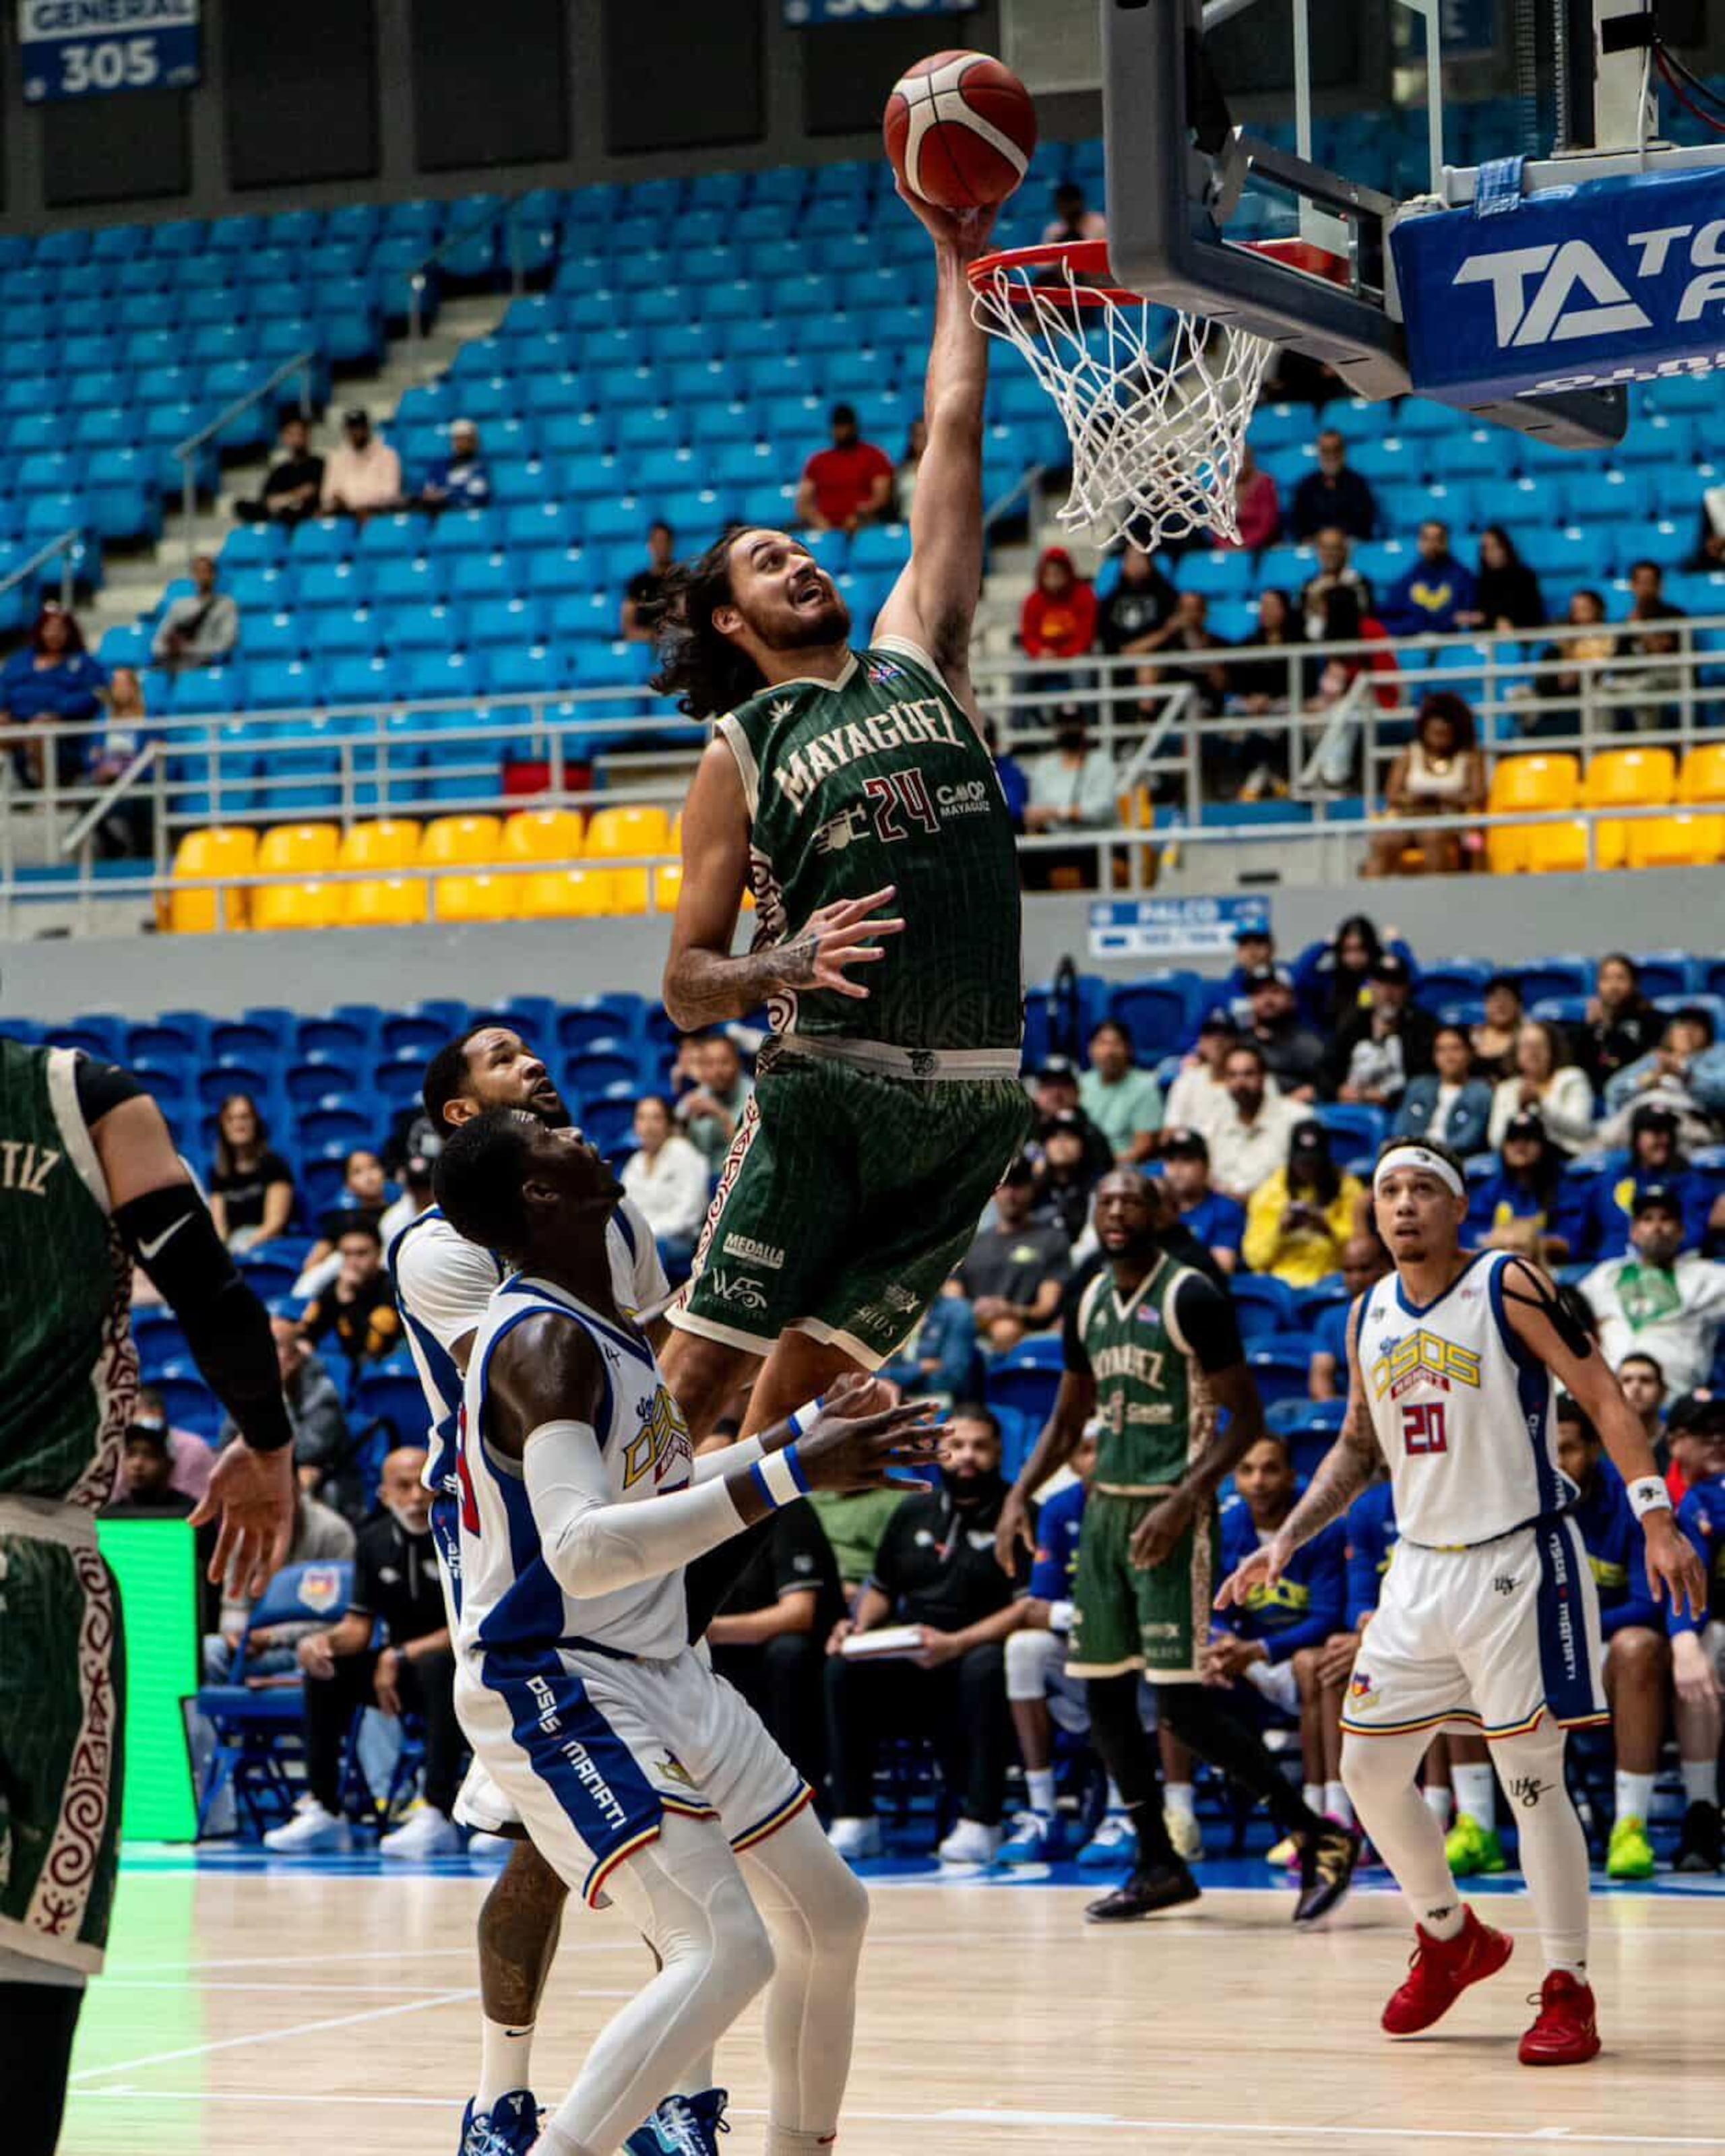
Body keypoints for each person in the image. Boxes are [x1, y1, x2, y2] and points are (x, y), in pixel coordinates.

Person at [431, 1108, 928, 2156]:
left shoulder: (599, 1322)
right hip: (557, 1677)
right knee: (722, 1950)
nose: (575, 1131)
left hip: (657, 1662)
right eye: (546, 1136)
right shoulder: (544, 1346)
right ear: (538, 1194)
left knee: (830, 1917)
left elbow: (653, 1487)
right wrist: (791, 1476)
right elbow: (582, 1550)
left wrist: (792, 1436)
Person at [650, 181, 1032, 1447]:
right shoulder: (740, 747)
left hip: (976, 1098)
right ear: (727, 620)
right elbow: (684, 986)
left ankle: (671, 1627)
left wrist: (959, 263)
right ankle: (570, 1599)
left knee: (784, 1427)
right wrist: (784, 964)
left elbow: (954, 428)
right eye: (767, 559)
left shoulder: (917, 648)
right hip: (830, 1084)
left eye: (800, 546)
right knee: (694, 1387)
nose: (801, 556)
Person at [1216, 1136, 1704, 2067]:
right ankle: (1451, 1936)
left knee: (1531, 1781)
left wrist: (1655, 1516)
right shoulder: (1365, 1314)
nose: (1402, 1205)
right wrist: (1286, 1537)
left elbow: (1602, 1396)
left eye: (1422, 1191)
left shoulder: (1507, 1282)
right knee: (1367, 1774)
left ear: (1457, 1207)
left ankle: (1568, 1987)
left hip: (1519, 1558)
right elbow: (1360, 1450)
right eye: (1388, 1191)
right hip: (1421, 1568)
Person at [402, 1023, 714, 2156]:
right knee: (548, 1836)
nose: (526, 1060)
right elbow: (552, 1377)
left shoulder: (610, 1214)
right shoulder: (437, 1247)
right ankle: (502, 2096)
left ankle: (680, 2091)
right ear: (456, 1116)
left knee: (681, 1800)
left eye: (530, 1049)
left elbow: (656, 1362)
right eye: (497, 1056)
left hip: (626, 1515)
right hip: (513, 1544)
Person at [0, 1028, 294, 2156]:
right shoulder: (80, 1094)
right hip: (32, 1570)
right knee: (31, 1943)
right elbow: (211, 1290)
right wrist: (265, 1441)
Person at [998, 1171, 1360, 1922]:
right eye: (1105, 1200)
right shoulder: (1088, 1295)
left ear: (1161, 1213)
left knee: (1181, 1704)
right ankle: (1157, 1861)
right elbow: (1068, 1420)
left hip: (1174, 1515)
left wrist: (1183, 1499)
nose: (1117, 1210)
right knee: (1102, 1695)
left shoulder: (1191, 1294)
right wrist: (1018, 1492)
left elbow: (1246, 1418)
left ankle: (1314, 1833)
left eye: (1132, 1199)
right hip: (1105, 1517)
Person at [825, 1405, 1029, 1864]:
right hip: (914, 1651)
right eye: (956, 1446)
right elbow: (881, 1589)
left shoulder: (1019, 1512)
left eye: (979, 1446)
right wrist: (857, 1626)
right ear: (938, 1452)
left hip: (976, 1649)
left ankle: (983, 1822)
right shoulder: (912, 1511)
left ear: (999, 1452)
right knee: (843, 1668)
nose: (967, 1457)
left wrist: (958, 1644)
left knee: (985, 1668)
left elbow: (1027, 1606)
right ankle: (856, 1819)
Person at [261, 1447, 462, 1858]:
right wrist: (322, 1644)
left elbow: (467, 1627)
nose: (416, 1497)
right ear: (384, 1494)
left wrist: (397, 1656)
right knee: (325, 1672)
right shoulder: (372, 1542)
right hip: (401, 1673)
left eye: (424, 1485)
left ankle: (438, 1812)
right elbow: (358, 1627)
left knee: (438, 1664)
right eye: (403, 1487)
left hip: (463, 1674)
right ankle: (325, 1809)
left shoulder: (460, 1536)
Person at [1552, 1395, 1671, 1880]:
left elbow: (1649, 1603)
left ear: (1596, 1449)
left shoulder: (1630, 1504)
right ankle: (1470, 1820)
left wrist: (1568, 1628)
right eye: (1548, 1452)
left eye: (1569, 1450)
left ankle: (1631, 1826)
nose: (1558, 1465)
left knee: (1637, 1646)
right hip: (1537, 1648)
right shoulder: (1517, 1501)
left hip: (1602, 1642)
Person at [1210, 1434, 1351, 1839]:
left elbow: (1326, 1617)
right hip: (1248, 1661)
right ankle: (1179, 1811)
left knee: (1313, 1669)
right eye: (1247, 1470)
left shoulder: (1320, 1530)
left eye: (1270, 1469)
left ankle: (1319, 1814)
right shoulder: (1227, 1525)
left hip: (1297, 1655)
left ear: (1291, 1477)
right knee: (1191, 1674)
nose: (1258, 1481)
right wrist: (1221, 1642)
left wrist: (1259, 1649)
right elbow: (1213, 1606)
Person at [708, 1498, 844, 1795]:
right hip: (731, 1646)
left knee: (788, 1652)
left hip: (794, 1650)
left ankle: (798, 1788)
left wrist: (710, 1631)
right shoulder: (698, 1514)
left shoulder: (787, 1510)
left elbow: (798, 1614)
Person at [203, 1482, 356, 1683]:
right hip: (255, 1650)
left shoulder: (333, 1533)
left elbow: (339, 1620)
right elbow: (234, 1605)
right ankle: (221, 1714)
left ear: (296, 1489)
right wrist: (236, 1636)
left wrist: (273, 1637)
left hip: (312, 1646)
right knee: (209, 1650)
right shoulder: (243, 1537)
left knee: (320, 1654)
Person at [1581, 1186, 1725, 1399]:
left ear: (1681, 1230)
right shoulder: (1605, 1276)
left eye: (1666, 1219)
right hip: (1609, 1395)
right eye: (1647, 1219)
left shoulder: (1709, 1277)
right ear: (1634, 1232)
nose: (1657, 1227)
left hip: (1677, 1394)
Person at [1667, 1396, 1725, 1870]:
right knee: (1702, 1648)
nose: (1719, 1438)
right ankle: (1702, 1810)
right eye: (1707, 1431)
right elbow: (1691, 1581)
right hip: (1720, 1625)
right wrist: (1684, 1639)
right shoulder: (1701, 1501)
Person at [1366, 693, 1486, 879]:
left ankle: (1436, 897)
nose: (1438, 740)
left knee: (1433, 837)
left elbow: (1478, 795)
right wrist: (1413, 799)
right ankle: (1371, 896)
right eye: (1433, 734)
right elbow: (1392, 795)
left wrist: (1448, 797)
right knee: (1384, 842)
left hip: (1448, 817)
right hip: (1409, 816)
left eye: (1444, 735)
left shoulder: (1470, 757)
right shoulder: (1410, 753)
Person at [955, 1159, 1071, 1352]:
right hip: (971, 1325)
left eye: (1018, 1185)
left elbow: (1046, 1307)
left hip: (1021, 1330)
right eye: (1005, 1186)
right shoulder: (972, 1242)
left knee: (1005, 1330)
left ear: (1031, 1188)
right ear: (995, 1192)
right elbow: (953, 1300)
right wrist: (978, 1311)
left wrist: (1009, 1309)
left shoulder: (1052, 1239)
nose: (1011, 1194)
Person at [1583, 1101, 1716, 1263]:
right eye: (1656, 1132)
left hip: (1677, 1266)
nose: (1665, 1140)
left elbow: (1695, 1232)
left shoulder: (1692, 1181)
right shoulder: (1611, 1180)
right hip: (1615, 1269)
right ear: (1637, 1138)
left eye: (1669, 1132)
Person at [1243, 1121, 1367, 1288]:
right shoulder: (1268, 1193)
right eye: (1303, 1163)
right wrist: (1280, 1232)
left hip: (1331, 1281)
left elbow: (1363, 1255)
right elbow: (1254, 1259)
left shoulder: (1349, 1189)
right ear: (1292, 1159)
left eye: (1314, 1162)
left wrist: (1328, 1229)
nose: (1309, 1169)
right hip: (1282, 1283)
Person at [1, 602, 107, 789]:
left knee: (40, 730)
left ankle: (48, 792)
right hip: (18, 724)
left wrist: (58, 712)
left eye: (60, 630)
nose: (54, 634)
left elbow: (94, 694)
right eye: (49, 629)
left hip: (63, 733)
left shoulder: (84, 663)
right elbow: (4, 687)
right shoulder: (20, 661)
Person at [1466, 1107, 1586, 1265]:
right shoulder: (1488, 1188)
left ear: (1543, 1146)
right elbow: (1473, 1239)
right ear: (1504, 1147)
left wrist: (1523, 1244)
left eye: (1529, 1139)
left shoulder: (1565, 1189)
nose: (1520, 1146)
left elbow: (1571, 1243)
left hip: (1550, 1269)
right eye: (1513, 1139)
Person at [1323, 952, 1439, 1110]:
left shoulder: (1423, 1027)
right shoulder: (1354, 1022)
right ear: (1371, 986)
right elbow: (1325, 1069)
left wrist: (1389, 1097)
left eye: (1395, 984)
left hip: (1401, 1111)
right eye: (1381, 983)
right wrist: (1337, 1090)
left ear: (1406, 989)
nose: (1388, 992)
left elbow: (1428, 1079)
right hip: (1350, 1107)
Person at [621, 1093, 711, 1275]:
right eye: (642, 1118)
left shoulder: (684, 1153)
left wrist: (648, 1234)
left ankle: (648, 1303)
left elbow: (689, 1214)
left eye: (656, 1118)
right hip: (643, 1238)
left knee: (652, 1249)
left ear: (669, 1124)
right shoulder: (635, 1162)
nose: (648, 1126)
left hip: (680, 1240)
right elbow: (624, 1207)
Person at [1207, 1042, 1308, 1203]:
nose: (1240, 1083)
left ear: (1264, 1077)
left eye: (1248, 1074)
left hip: (1275, 1210)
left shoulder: (1296, 1118)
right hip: (1224, 1213)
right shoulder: (1213, 1121)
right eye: (1233, 1075)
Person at [300, 1219, 403, 1370]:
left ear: (379, 1252)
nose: (353, 1262)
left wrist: (348, 1303)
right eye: (347, 1254)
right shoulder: (336, 1288)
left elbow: (372, 1349)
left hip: (391, 1370)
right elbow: (307, 1332)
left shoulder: (393, 1288)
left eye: (361, 1253)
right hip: (355, 1374)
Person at [206, 1092, 296, 1251]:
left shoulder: (275, 1165)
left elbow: (274, 1224)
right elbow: (219, 1227)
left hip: (268, 1245)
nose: (238, 1125)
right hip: (234, 1246)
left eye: (245, 1117)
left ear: (256, 1122)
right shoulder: (218, 1173)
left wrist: (244, 1248)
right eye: (230, 1119)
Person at [1486, 1020, 1596, 1152]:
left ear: (1552, 1050)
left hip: (1565, 1156)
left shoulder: (1572, 1078)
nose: (1533, 1053)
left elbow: (1582, 1130)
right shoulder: (1506, 1089)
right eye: (1527, 1046)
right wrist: (1519, 1108)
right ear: (1516, 1053)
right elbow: (1496, 1140)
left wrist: (1542, 1105)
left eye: (1539, 1046)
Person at [1309, 1236, 1391, 1400]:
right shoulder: (1330, 1320)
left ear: (1385, 1268)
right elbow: (1320, 1378)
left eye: (1364, 1269)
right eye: (1348, 1270)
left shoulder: (1402, 1315)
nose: (1356, 1278)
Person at [1393, 1024, 1493, 1158]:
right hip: (1412, 1154)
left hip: (1455, 1158)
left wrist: (1430, 1151)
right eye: (1441, 1050)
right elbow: (1400, 1128)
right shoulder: (1418, 1086)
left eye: (1455, 1049)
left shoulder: (1481, 1092)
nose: (1449, 1056)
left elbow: (1469, 1139)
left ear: (1469, 1053)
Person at [794, 402, 893, 534]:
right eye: (838, 426)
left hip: (862, 524)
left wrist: (860, 516)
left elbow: (881, 498)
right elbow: (803, 503)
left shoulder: (874, 456)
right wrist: (817, 520)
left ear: (854, 427)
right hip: (824, 527)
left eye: (845, 425)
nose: (842, 431)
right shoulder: (818, 461)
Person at [1159, 1126, 1245, 1276]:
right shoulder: (1155, 1208)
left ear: (1206, 1167)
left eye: (1187, 1160)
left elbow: (1223, 1268)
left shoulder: (1225, 1209)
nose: (1177, 1168)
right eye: (1171, 1160)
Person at [1577, 953, 1662, 1101]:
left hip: (1635, 1093)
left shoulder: (1652, 1020)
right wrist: (1590, 1028)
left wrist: (1610, 1028)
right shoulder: (1591, 1027)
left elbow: (1640, 1061)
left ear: (1635, 984)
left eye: (1621, 979)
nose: (1613, 986)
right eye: (1606, 979)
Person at [1079, 1017, 1162, 1164]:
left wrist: (1103, 1166)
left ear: (1129, 1050)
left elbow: (1144, 1146)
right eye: (1102, 1044)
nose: (1109, 1052)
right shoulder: (1081, 1084)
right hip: (1082, 1167)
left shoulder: (1145, 1087)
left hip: (1124, 1167)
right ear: (1090, 1050)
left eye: (1116, 1044)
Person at [1533, 590, 1617, 736]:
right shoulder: (1561, 644)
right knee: (1522, 698)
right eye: (1575, 609)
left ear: (1598, 611)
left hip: (1595, 689)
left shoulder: (1610, 640)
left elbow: (1605, 671)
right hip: (1560, 693)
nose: (1578, 614)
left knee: (1602, 699)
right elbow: (1549, 682)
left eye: (1584, 609)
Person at [673, 1031, 754, 1176]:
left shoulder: (754, 1096)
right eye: (710, 1064)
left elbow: (752, 1155)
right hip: (703, 1182)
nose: (717, 1070)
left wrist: (720, 1114)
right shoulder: (698, 1095)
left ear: (738, 1064)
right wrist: (683, 1124)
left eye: (724, 1062)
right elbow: (678, 1148)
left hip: (742, 1179)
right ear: (702, 1069)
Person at [1379, 520, 1478, 639]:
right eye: (1426, 539)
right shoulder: (1409, 578)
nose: (1431, 545)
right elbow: (1388, 615)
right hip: (1413, 640)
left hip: (1450, 642)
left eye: (1437, 539)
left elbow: (1467, 617)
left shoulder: (1463, 578)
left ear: (1445, 543)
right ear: (1419, 543)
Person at [1241, 965, 1324, 1099]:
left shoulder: (1307, 1044)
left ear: (1292, 999)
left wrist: (1310, 1093)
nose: (1267, 1000)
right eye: (1259, 993)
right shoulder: (1239, 1041)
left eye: (1275, 992)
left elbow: (1326, 1086)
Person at [150, 552, 239, 674]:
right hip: (173, 660)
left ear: (214, 575)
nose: (201, 576)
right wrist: (168, 649)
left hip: (204, 661)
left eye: (205, 571)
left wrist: (188, 649)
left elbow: (225, 644)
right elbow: (158, 642)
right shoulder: (179, 605)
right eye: (197, 572)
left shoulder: (226, 605)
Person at [234, 412, 325, 526]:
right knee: (241, 506)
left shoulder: (318, 464)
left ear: (308, 437)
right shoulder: (281, 470)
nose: (296, 439)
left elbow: (310, 490)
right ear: (284, 438)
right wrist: (280, 501)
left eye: (300, 434)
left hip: (307, 514)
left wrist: (287, 499)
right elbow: (268, 498)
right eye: (292, 435)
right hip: (282, 514)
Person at [1162, 1009, 1243, 1137]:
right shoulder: (1187, 1080)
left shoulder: (1247, 1082)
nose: (1218, 1040)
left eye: (1226, 1034)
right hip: (1191, 1153)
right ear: (1201, 1043)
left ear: (1237, 1041)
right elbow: (1170, 1131)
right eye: (1210, 1034)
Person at [1288, 431, 1379, 541]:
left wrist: (1337, 540)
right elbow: (1298, 523)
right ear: (1319, 453)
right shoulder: (1306, 486)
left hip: (1348, 546)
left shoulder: (1358, 484)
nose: (1331, 456)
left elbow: (1364, 522)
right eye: (1326, 451)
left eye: (1336, 450)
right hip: (1315, 546)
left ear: (1343, 452)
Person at [1096, 544, 1178, 660]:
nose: (1136, 564)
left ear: (1150, 562)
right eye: (1130, 559)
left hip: (1158, 656)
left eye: (1140, 558)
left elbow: (1170, 630)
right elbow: (1108, 636)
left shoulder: (1165, 595)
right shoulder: (1112, 596)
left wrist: (1139, 647)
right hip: (1118, 659)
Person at [1019, 546, 1098, 666]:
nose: (1053, 579)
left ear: (1068, 573)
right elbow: (1029, 636)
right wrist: (1039, 651)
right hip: (1043, 656)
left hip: (1074, 656)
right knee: (1021, 670)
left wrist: (1062, 655)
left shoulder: (1084, 595)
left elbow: (1085, 636)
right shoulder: (1033, 601)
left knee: (1081, 664)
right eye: (1049, 574)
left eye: (1058, 574)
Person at [321, 406, 402, 519]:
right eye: (351, 428)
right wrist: (337, 501)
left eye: (359, 427)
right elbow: (327, 495)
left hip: (376, 513)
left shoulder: (388, 455)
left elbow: (390, 494)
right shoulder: (336, 458)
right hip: (344, 514)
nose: (355, 432)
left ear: (368, 428)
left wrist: (356, 503)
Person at [103, 1422, 197, 1517]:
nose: (137, 1464)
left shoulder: (191, 1513)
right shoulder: (113, 1515)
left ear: (169, 1464)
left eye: (150, 1455)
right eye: (131, 1454)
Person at [1298, 527, 1373, 641]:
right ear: (1318, 552)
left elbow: (1365, 615)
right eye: (1325, 548)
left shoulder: (1359, 582)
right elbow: (1302, 623)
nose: (1330, 554)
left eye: (1335, 548)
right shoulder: (1308, 586)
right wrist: (1313, 598)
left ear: (1345, 551)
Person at [1473, 526, 1546, 632]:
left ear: (1505, 548)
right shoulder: (1480, 583)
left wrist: (1512, 626)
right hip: (1489, 640)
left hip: (1523, 637)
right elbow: (1479, 618)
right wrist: (1493, 622)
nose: (1490, 553)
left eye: (1494, 547)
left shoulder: (1525, 578)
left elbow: (1535, 616)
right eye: (1485, 548)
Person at [414, 417, 492, 512]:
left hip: (460, 515)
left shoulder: (479, 469)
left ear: (474, 442)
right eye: (457, 439)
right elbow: (429, 491)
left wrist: (447, 496)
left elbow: (476, 496)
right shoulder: (438, 467)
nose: (461, 443)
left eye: (465, 439)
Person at [621, 521, 677, 642]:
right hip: (645, 645)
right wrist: (653, 637)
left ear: (672, 544)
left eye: (664, 541)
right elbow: (628, 628)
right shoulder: (637, 582)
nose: (660, 546)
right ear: (650, 545)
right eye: (656, 541)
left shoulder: (682, 578)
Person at [1219, 444, 1281, 553]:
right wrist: (1226, 546)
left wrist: (1244, 545)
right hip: (1228, 549)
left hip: (1260, 547)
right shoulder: (1220, 489)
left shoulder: (1264, 484)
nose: (1239, 466)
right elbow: (1217, 526)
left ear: (1251, 461)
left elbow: (1267, 523)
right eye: (1233, 461)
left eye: (1243, 460)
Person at [1471, 972, 1526, 1085]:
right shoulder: (1471, 1036)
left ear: (1519, 1005)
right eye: (1494, 999)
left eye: (1507, 999)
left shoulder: (1526, 1039)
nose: (1500, 1005)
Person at [1042, 180, 1107, 243]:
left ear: (1080, 203)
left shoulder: (1099, 225)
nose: (1065, 210)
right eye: (1061, 206)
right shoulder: (1053, 231)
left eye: (1068, 204)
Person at [894, 415, 927, 521]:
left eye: (925, 435)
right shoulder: (901, 470)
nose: (921, 440)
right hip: (906, 525)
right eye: (917, 435)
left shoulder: (946, 471)